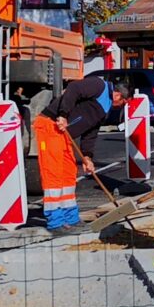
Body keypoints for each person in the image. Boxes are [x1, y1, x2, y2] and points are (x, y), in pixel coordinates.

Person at [32, 74, 112, 230]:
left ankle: (71, 217)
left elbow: (91, 131)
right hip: (50, 126)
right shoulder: (99, 85)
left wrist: (87, 157)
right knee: (53, 174)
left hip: (63, 135)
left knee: (69, 173)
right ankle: (55, 220)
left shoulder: (106, 108)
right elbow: (74, 87)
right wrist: (63, 114)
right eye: (123, 102)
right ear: (118, 95)